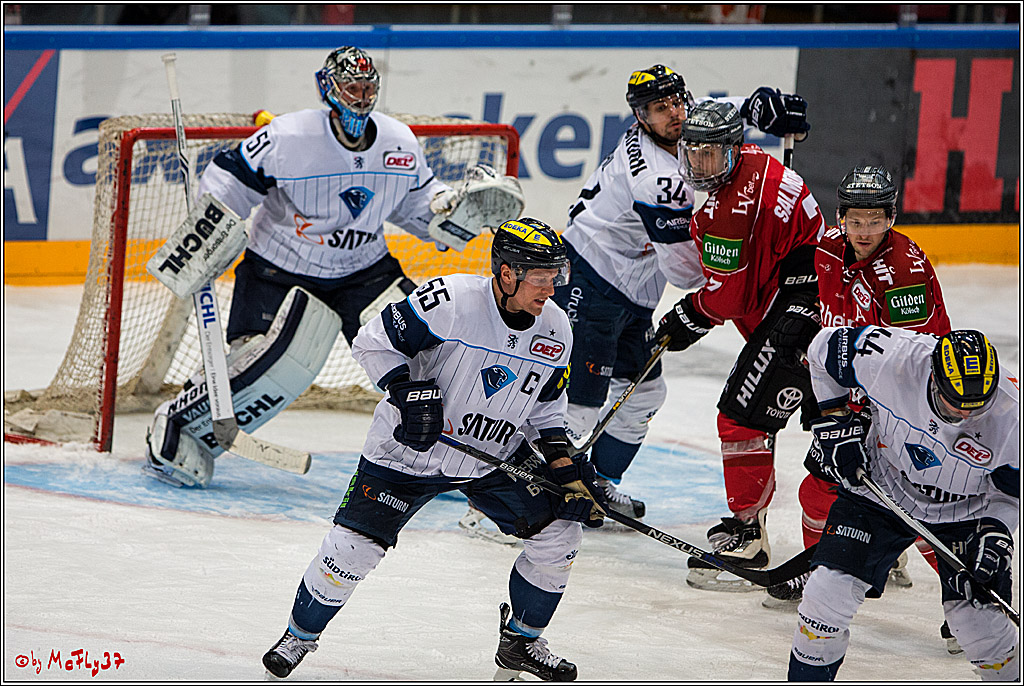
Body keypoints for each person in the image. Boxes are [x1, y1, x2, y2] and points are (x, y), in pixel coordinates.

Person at [142, 46, 522, 488]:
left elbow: (420, 207)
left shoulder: (398, 141)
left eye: (367, 88)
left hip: (365, 271)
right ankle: (178, 428)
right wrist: (212, 224)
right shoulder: (288, 136)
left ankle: (449, 456)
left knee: (432, 356)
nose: (361, 97)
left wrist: (453, 211)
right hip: (280, 270)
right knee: (266, 367)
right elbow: (228, 177)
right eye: (351, 87)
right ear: (328, 88)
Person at [261, 218, 608, 681]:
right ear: (507, 273)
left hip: (492, 456)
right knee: (353, 549)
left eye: (556, 275)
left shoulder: (557, 327)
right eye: (541, 277)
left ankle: (521, 644)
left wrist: (565, 470)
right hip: (406, 453)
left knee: (560, 535)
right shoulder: (451, 300)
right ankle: (299, 637)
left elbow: (546, 410)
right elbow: (372, 342)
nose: (551, 288)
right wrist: (406, 392)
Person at [545, 65, 809, 519]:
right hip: (591, 283)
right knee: (578, 406)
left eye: (675, 101)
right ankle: (534, 493)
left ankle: (598, 485)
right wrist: (738, 252)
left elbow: (715, 114)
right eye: (658, 108)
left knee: (644, 396)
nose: (673, 113)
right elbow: (687, 274)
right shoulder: (658, 180)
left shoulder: (681, 123)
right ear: (640, 117)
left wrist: (757, 108)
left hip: (633, 289)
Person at [764, 166, 954, 621]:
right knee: (818, 492)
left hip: (908, 407)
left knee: (914, 505)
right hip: (853, 395)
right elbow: (838, 314)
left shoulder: (902, 273)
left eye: (875, 220)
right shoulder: (829, 248)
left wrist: (863, 417)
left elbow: (909, 364)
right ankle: (820, 571)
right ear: (841, 218)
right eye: (856, 220)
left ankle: (966, 598)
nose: (865, 231)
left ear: (891, 218)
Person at [654, 99, 825, 590]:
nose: (700, 165)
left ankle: (748, 537)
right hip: (824, 299)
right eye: (693, 153)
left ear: (733, 149)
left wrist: (690, 314)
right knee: (838, 429)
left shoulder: (727, 211)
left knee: (742, 417)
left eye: (711, 154)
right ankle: (873, 543)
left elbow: (732, 297)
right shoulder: (758, 163)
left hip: (802, 313)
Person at [788, 325, 1018, 681]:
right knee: (825, 597)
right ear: (933, 378)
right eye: (954, 404)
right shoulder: (892, 357)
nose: (966, 417)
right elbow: (820, 349)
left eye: (977, 408)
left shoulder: (1014, 416)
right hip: (881, 484)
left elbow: (1011, 493)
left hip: (965, 510)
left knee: (980, 626)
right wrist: (835, 419)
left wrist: (997, 532)